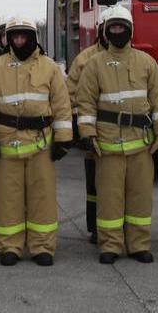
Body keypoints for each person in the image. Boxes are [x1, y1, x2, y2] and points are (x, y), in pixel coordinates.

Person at [74, 6, 158, 264]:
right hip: (107, 146)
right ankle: (110, 245)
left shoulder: (147, 62)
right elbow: (85, 103)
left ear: (130, 30)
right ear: (106, 31)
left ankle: (139, 244)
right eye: (113, 28)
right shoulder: (94, 64)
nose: (117, 31)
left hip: (141, 144)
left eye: (121, 27)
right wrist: (87, 134)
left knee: (140, 199)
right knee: (109, 200)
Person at [0, 18, 73, 266]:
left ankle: (42, 246)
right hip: (7, 143)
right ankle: (10, 246)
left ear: (33, 37)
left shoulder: (49, 68)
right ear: (8, 39)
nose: (19, 41)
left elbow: (62, 105)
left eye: (23, 36)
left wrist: (63, 139)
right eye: (14, 37)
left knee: (43, 197)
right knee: (9, 197)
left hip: (41, 144)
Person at [64, 25, 107, 245]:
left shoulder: (137, 59)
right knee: (95, 184)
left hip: (127, 136)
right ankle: (95, 227)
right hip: (93, 131)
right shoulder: (85, 59)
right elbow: (70, 95)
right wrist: (79, 127)